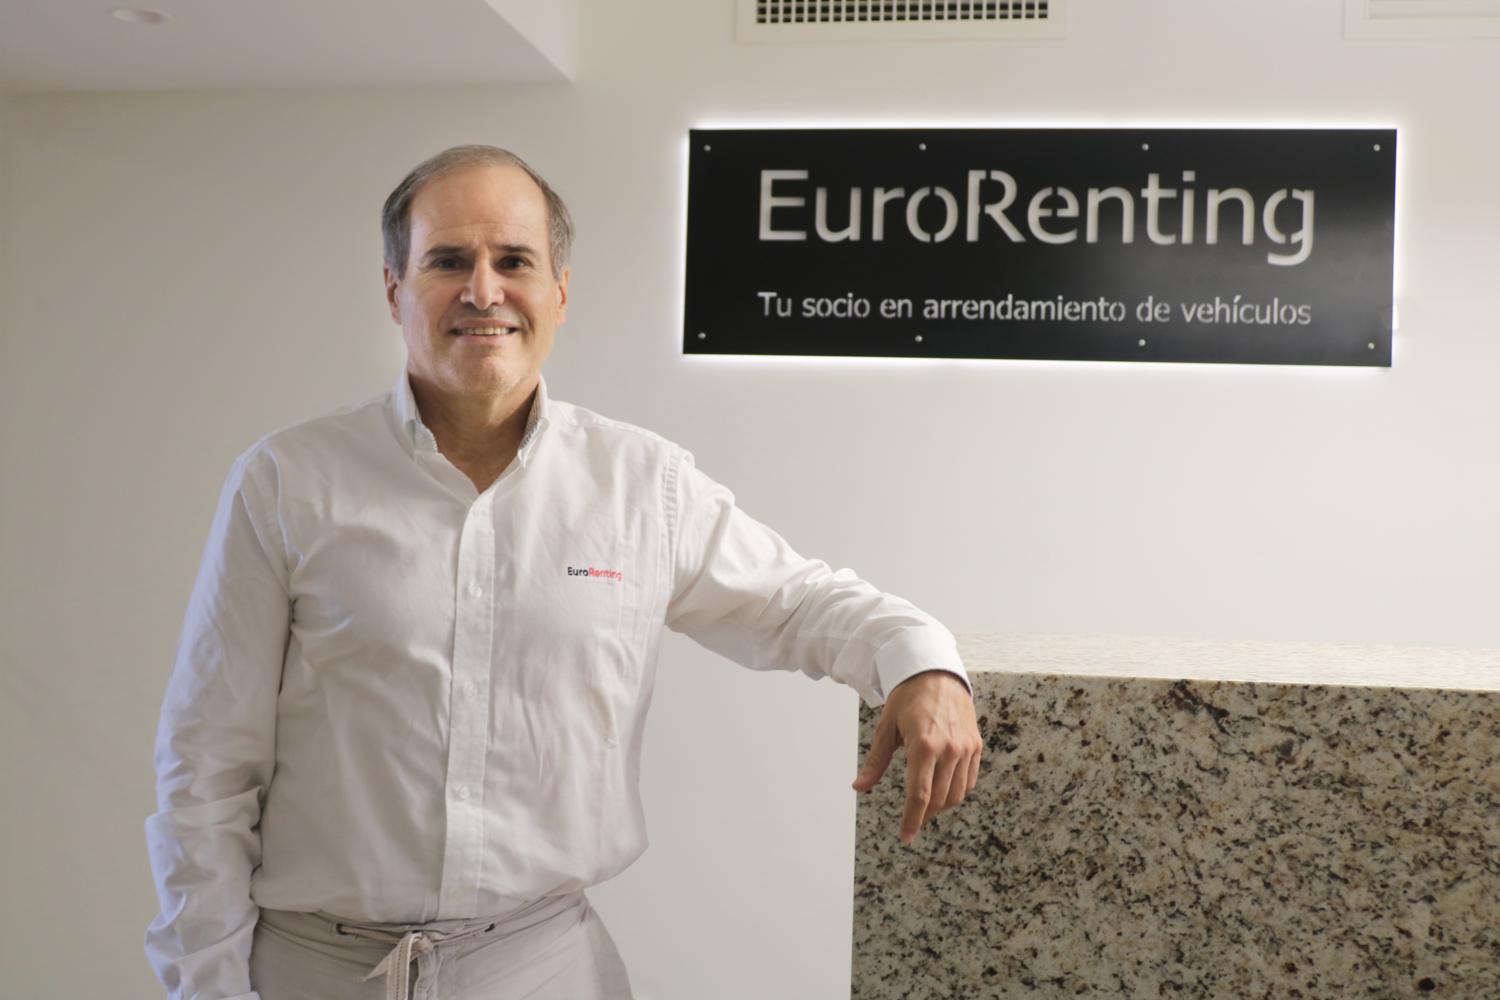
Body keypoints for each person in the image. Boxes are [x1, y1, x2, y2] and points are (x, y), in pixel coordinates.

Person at [145, 145, 982, 1000]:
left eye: (514, 261)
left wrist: (920, 662)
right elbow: (206, 769)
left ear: (560, 293)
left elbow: (800, 604)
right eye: (447, 261)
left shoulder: (642, 485)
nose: (483, 291)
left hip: (543, 968)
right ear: (394, 289)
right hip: (311, 972)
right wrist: (207, 986)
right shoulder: (286, 481)